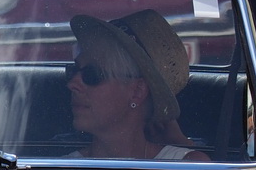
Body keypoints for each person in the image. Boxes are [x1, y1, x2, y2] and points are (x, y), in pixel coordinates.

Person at [66, 10, 205, 161]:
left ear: (137, 91)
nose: (72, 84)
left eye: (92, 74)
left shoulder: (188, 167)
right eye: (73, 70)